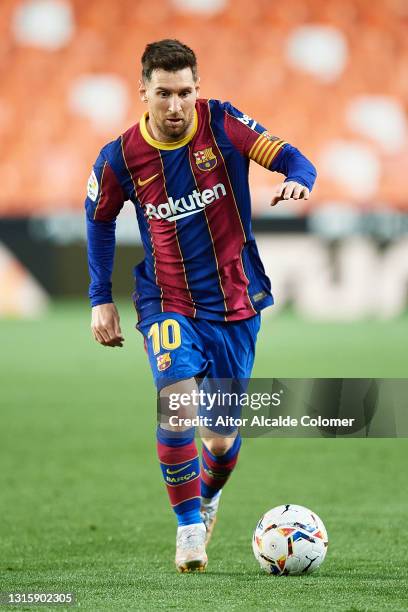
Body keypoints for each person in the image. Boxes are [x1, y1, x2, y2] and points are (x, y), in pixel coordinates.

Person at [85, 39, 316, 573]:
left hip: (236, 300)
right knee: (177, 404)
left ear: (197, 89)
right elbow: (98, 219)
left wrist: (298, 181)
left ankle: (208, 499)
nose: (174, 106)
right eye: (162, 93)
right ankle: (189, 529)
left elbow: (291, 157)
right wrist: (101, 298)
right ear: (142, 91)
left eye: (184, 92)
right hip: (166, 300)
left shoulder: (224, 124)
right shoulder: (119, 157)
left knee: (220, 435)